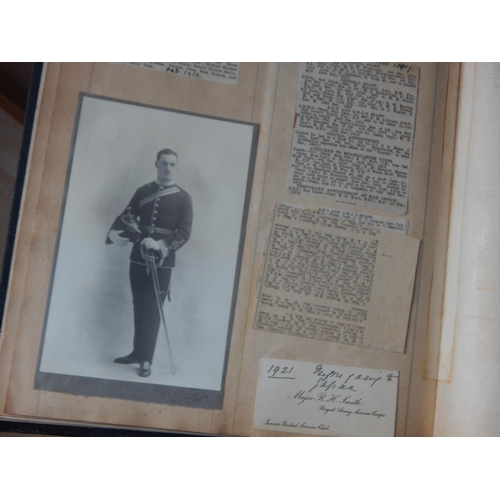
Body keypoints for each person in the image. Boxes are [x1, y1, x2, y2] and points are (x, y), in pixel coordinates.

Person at [106, 148, 193, 377]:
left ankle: (146, 360)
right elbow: (127, 216)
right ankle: (136, 352)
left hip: (163, 260)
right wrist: (119, 234)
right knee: (138, 304)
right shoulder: (143, 191)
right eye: (164, 163)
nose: (168, 168)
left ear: (176, 167)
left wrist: (161, 244)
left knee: (153, 308)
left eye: (172, 164)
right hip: (138, 256)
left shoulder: (183, 197)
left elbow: (184, 233)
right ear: (156, 164)